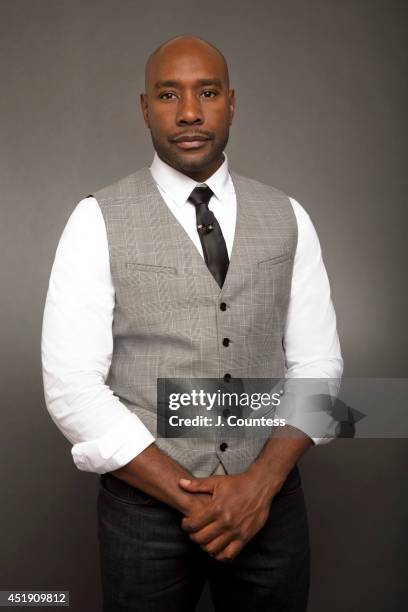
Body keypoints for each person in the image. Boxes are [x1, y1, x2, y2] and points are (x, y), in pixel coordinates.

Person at [41, 34, 343, 612]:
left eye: (206, 92)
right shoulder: (95, 219)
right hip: (143, 515)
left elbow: (319, 368)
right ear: (144, 106)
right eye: (167, 94)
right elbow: (72, 388)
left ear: (231, 102)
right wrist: (195, 500)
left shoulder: (288, 216)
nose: (188, 112)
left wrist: (258, 487)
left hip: (270, 506)